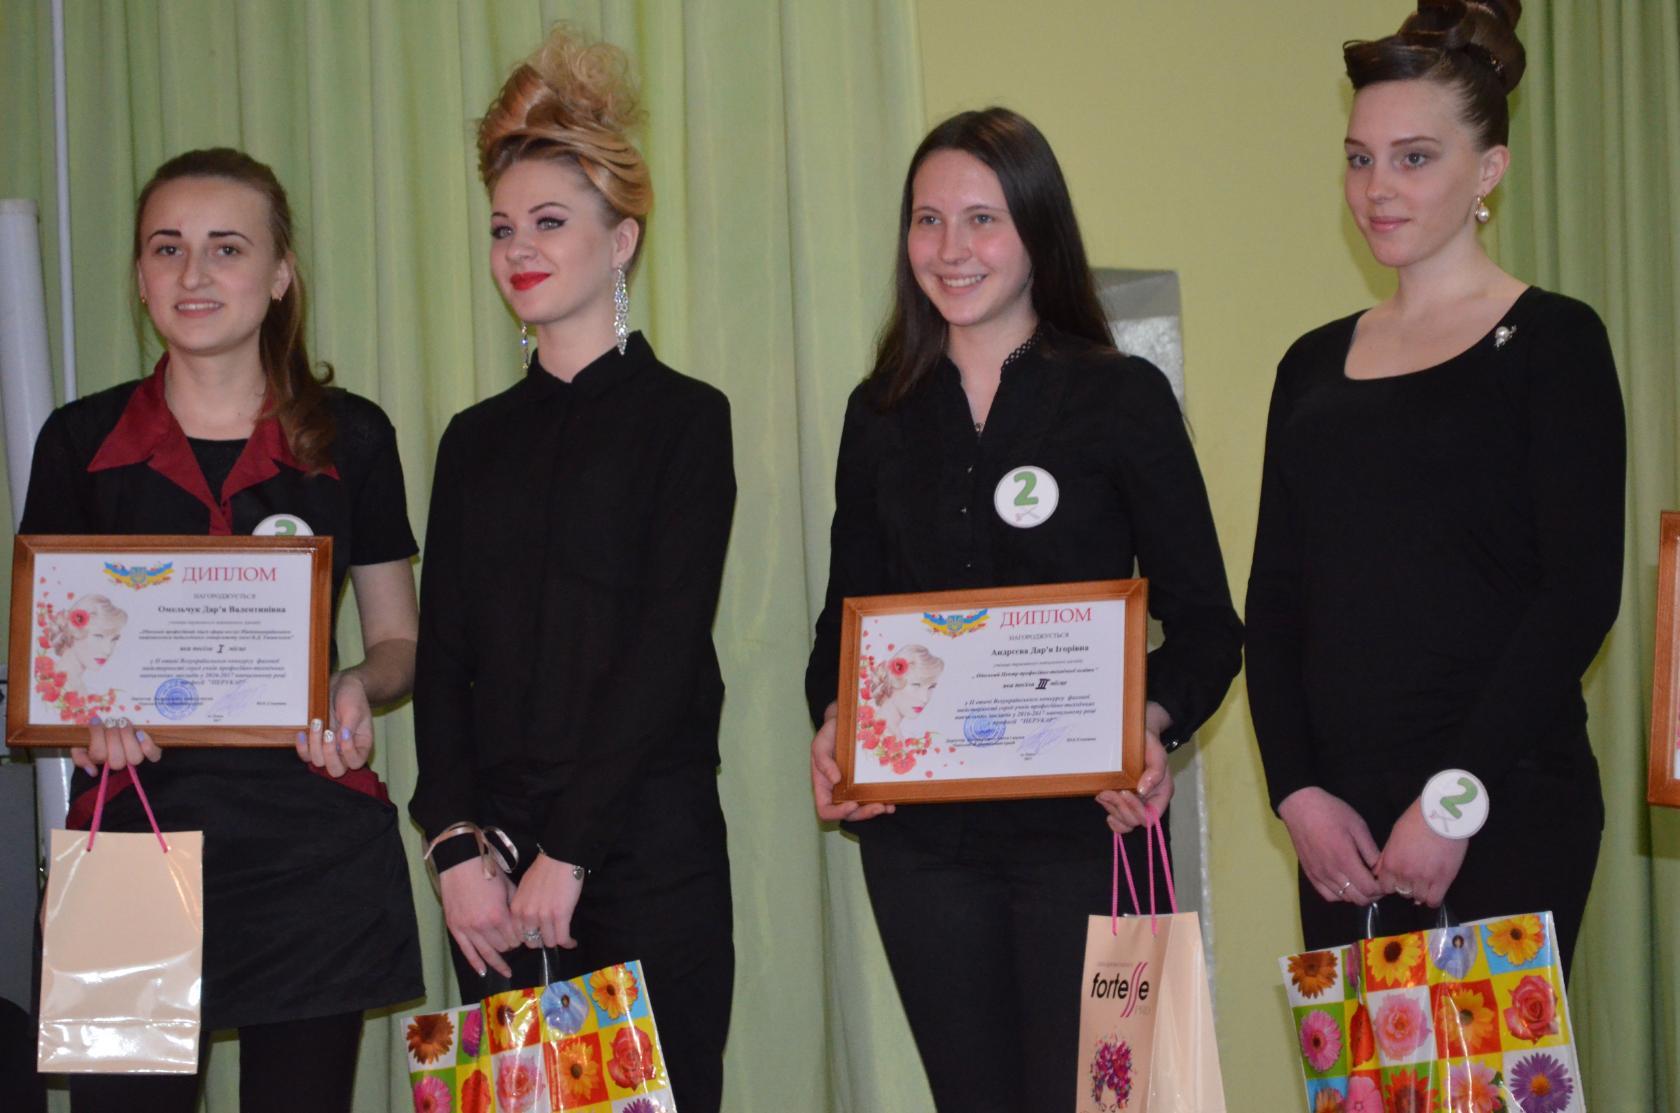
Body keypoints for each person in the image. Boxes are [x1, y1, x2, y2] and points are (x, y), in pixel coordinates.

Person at [805, 107, 1242, 1111]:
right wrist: (833, 725)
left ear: (1038, 230)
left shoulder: (1121, 398)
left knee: (1095, 1102)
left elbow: (1208, 625)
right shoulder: (878, 414)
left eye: (982, 219)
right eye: (927, 220)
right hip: (923, 850)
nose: (950, 249)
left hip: (1087, 835)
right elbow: (845, 622)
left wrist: (1150, 725)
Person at [22, 147, 423, 1113]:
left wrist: (355, 685)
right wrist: (81, 722)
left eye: (227, 247)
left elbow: (400, 642)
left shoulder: (354, 437)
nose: (194, 273)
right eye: (168, 248)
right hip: (131, 836)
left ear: (280, 274)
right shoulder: (77, 441)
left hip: (307, 844)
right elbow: (53, 659)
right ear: (140, 275)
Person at [1246, 0, 1623, 976]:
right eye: (1359, 158)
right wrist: (1297, 794)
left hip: (1505, 802)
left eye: (1414, 158)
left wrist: (1455, 798)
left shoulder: (1554, 342)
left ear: (1488, 170)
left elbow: (1579, 592)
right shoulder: (1311, 365)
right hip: (1342, 830)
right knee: (1369, 1069)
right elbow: (1275, 599)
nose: (1377, 188)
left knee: (1491, 1066)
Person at [409, 26, 736, 1113]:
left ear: (622, 238)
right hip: (493, 878)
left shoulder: (686, 421)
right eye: (503, 228)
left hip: (645, 857)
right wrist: (454, 848)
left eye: (550, 222)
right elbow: (443, 657)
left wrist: (572, 851)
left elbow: (664, 649)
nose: (520, 248)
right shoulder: (471, 441)